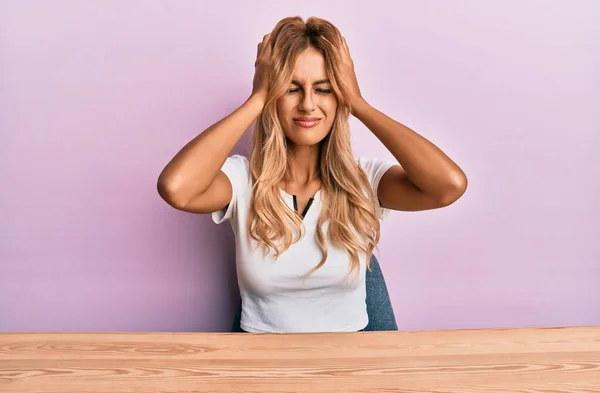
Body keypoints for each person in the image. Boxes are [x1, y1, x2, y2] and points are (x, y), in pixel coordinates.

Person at [157, 16, 467, 333]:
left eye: (323, 89)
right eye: (291, 88)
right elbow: (176, 188)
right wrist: (258, 98)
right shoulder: (241, 179)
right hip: (262, 364)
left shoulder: (365, 180)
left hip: (349, 364)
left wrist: (358, 103)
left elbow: (448, 186)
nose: (308, 104)